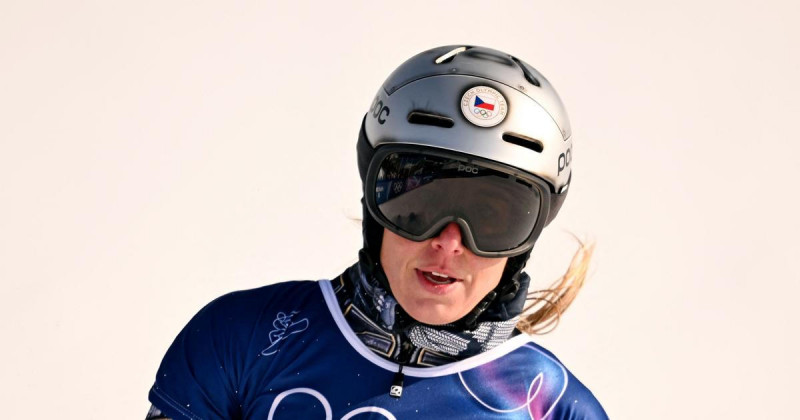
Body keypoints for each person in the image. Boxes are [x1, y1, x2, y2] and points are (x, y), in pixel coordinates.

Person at [146, 45, 608, 419]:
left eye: (491, 219)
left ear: (525, 243)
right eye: (421, 205)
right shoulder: (241, 338)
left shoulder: (556, 410)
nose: (449, 242)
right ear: (374, 208)